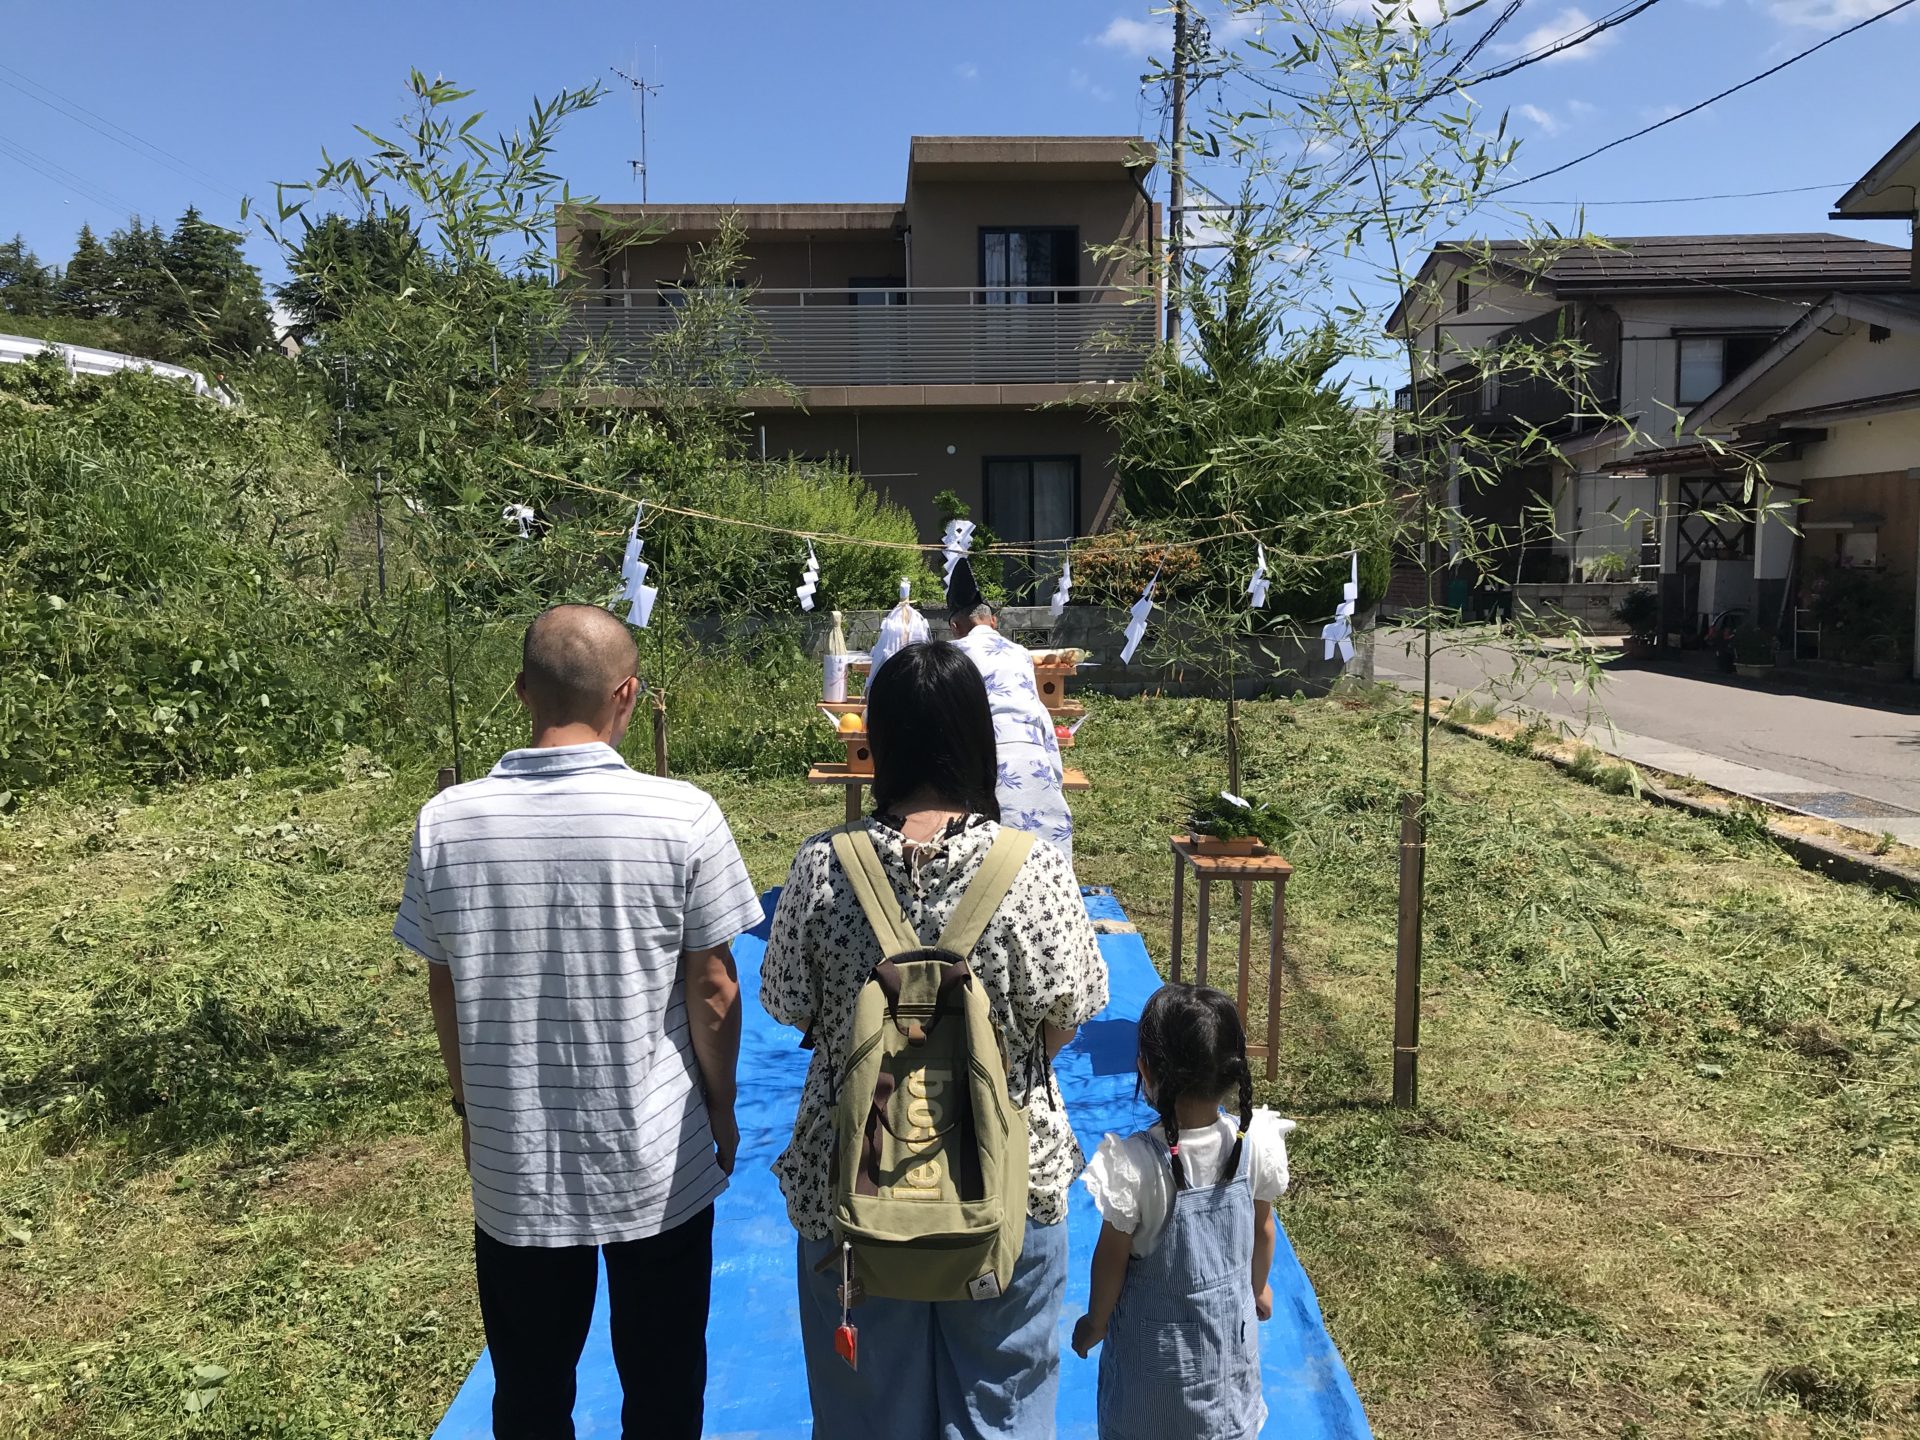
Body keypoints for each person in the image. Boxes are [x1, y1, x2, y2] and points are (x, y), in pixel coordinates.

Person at [394, 603, 765, 1440]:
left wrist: (467, 1107)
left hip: (513, 1159)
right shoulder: (684, 815)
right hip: (657, 1155)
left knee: (530, 1393)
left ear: (522, 690)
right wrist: (721, 1105)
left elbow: (444, 986)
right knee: (665, 1384)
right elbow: (712, 986)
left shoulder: (446, 821)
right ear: (627, 695)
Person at [761, 640, 1109, 1440]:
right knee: (1003, 1411)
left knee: (865, 1417)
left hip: (851, 1182)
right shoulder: (1036, 867)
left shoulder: (823, 867)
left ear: (876, 741)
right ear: (977, 741)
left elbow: (787, 1005)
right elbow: (1071, 1009)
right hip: (1007, 1178)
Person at [1069, 983, 1295, 1440]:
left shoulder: (1133, 1166)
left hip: (1150, 1380)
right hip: (1227, 1366)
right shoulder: (1255, 1146)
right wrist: (1257, 1289)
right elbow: (1263, 1230)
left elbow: (1110, 1261)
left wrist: (1096, 1322)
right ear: (1234, 1073)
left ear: (1146, 1070)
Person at [945, 558, 1076, 867]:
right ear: (994, 622)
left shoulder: (952, 655)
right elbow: (1038, 713)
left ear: (955, 627)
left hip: (985, 765)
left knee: (985, 864)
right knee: (1041, 861)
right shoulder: (1020, 654)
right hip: (1034, 759)